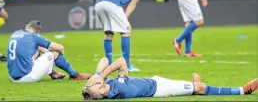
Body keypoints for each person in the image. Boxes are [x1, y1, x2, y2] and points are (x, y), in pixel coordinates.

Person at [82, 57, 258, 100]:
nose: (101, 88)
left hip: (154, 80)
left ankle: (193, 84)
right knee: (201, 88)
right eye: (98, 92)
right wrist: (100, 77)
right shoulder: (119, 90)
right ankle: (243, 90)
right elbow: (119, 61)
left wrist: (98, 75)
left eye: (98, 87)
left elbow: (108, 60)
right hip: (161, 89)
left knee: (194, 86)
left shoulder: (110, 85)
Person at [94, 0, 147, 72]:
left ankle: (108, 63)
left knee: (109, 33)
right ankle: (126, 65)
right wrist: (125, 17)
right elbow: (133, 2)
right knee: (126, 31)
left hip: (99, 3)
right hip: (112, 4)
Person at [7, 20, 91, 82]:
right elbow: (60, 48)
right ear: (37, 32)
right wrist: (57, 56)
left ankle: (53, 73)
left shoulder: (16, 33)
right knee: (53, 53)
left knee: (36, 52)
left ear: (26, 27)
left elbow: (37, 48)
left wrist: (46, 52)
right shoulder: (34, 37)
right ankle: (74, 75)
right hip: (26, 77)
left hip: (12, 77)